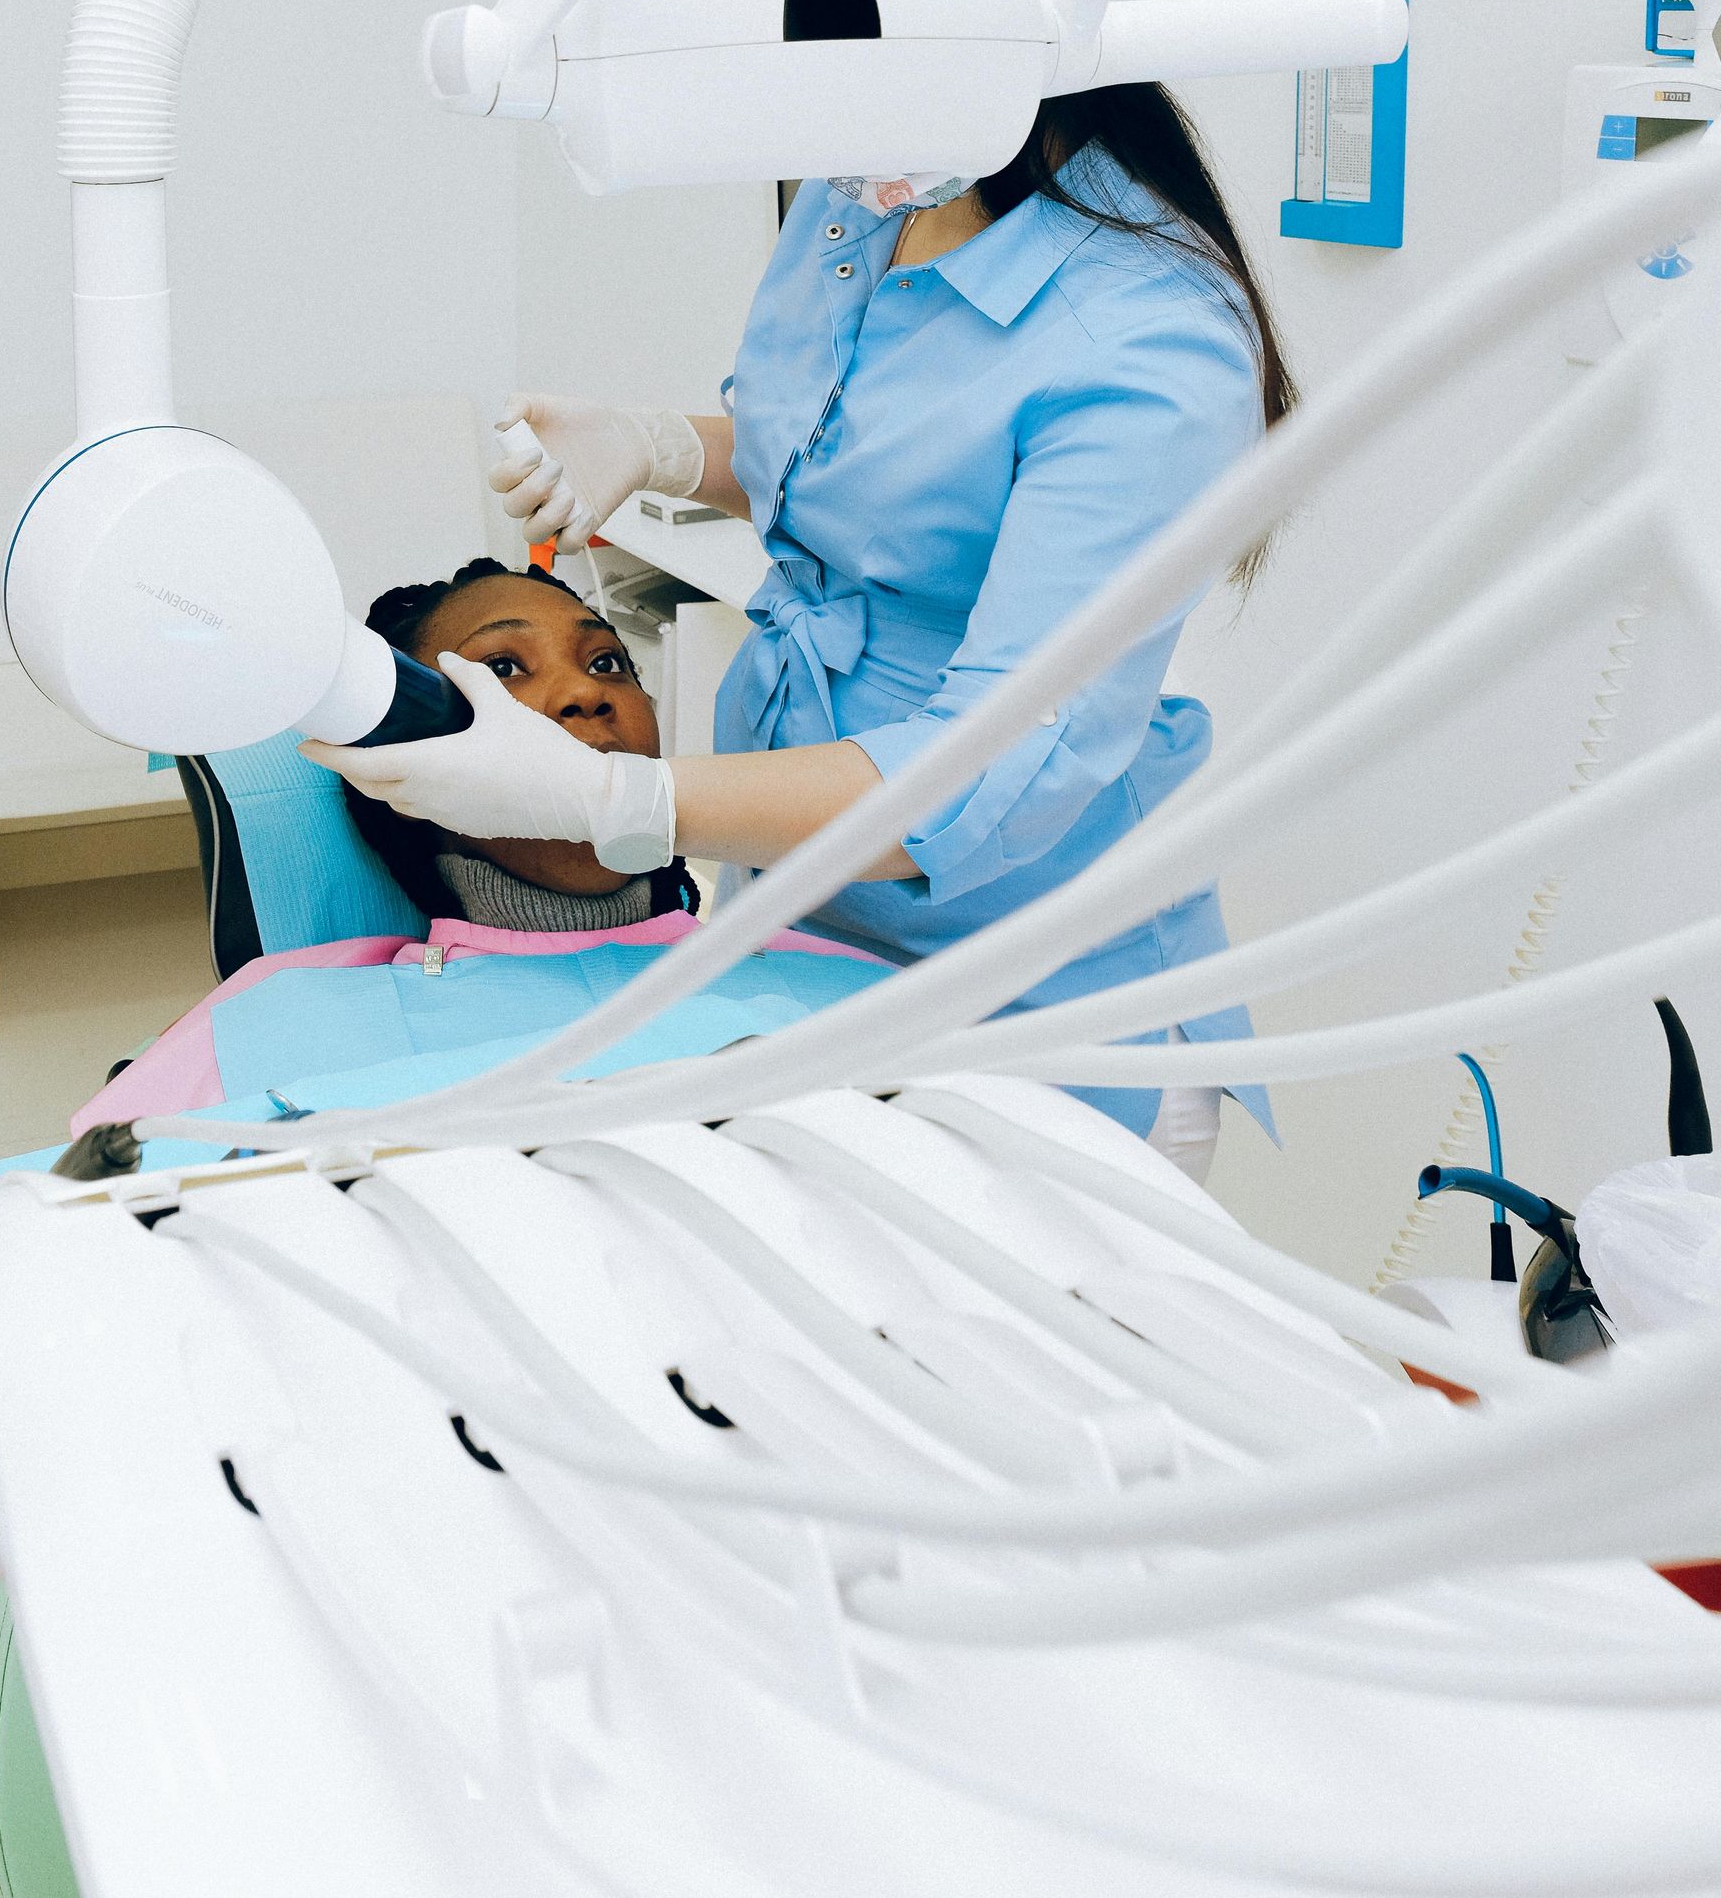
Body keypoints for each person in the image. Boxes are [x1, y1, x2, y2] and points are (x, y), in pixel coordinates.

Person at [311, 84, 1293, 1175]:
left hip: (1027, 994)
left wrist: (618, 800)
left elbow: (991, 772)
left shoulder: (1150, 345)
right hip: (798, 943)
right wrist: (662, 446)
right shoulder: (879, 186)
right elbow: (878, 474)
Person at [332, 557, 699, 933]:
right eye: (502, 668)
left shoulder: (737, 952)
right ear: (403, 774)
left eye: (604, 663)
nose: (585, 691)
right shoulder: (338, 978)